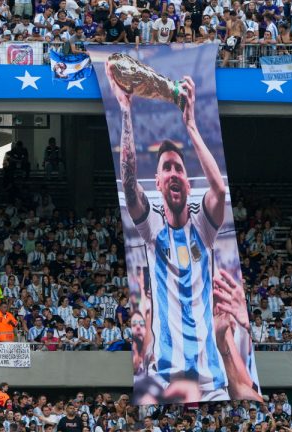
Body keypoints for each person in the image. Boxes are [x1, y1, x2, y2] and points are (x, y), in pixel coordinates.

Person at [106, 61, 260, 402]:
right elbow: (130, 187)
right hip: (163, 379)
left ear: (188, 183)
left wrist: (190, 125)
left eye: (178, 167)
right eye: (166, 169)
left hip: (210, 383)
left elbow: (220, 192)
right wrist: (125, 110)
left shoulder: (202, 226)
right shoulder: (152, 226)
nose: (174, 172)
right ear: (159, 183)